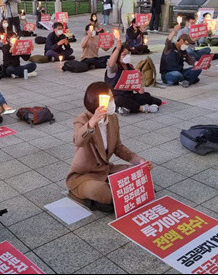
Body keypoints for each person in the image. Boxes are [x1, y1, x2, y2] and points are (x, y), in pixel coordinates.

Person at [66, 81, 153, 211]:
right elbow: (78, 141)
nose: (113, 101)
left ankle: (108, 197)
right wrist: (92, 122)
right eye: (109, 98)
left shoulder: (112, 118)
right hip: (83, 175)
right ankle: (82, 194)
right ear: (96, 102)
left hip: (105, 170)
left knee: (140, 176)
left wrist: (140, 162)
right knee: (102, 191)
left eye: (112, 97)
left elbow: (118, 147)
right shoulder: (82, 119)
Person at [105, 38, 162, 115]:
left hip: (129, 96)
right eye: (124, 54)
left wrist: (139, 90)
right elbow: (110, 64)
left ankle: (124, 108)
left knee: (150, 98)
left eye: (128, 54)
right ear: (118, 56)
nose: (127, 56)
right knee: (118, 100)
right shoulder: (115, 68)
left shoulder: (130, 67)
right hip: (117, 96)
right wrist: (118, 49)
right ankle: (142, 108)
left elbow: (134, 83)